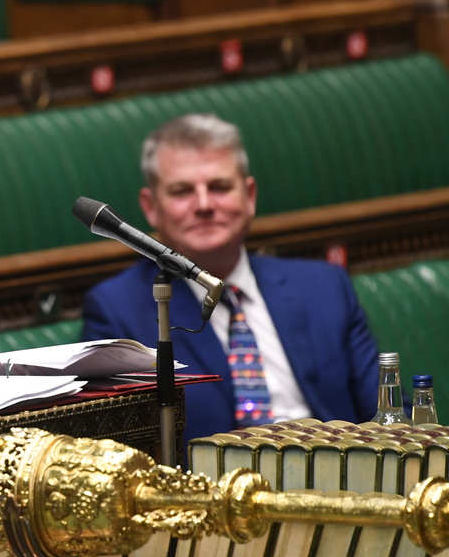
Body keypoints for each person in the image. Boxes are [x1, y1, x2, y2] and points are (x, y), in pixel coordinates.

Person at [81, 113, 378, 452]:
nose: (204, 205)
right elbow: (119, 455)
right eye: (182, 191)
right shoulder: (117, 312)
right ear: (151, 207)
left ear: (249, 195)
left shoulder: (325, 287)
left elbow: (385, 415)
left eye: (219, 187)